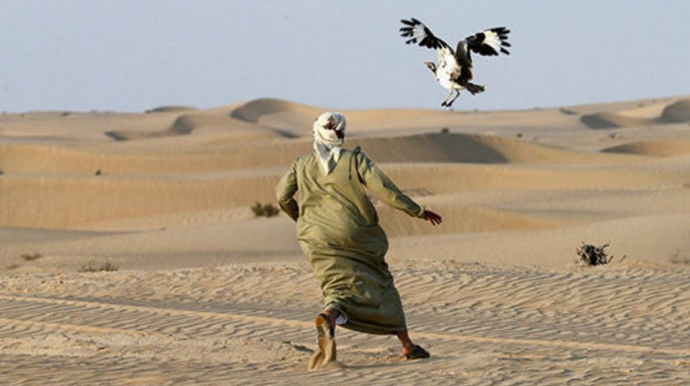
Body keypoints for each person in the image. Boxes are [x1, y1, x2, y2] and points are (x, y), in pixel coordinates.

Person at [276, 111, 443, 370]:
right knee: (381, 282)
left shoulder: (301, 164)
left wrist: (302, 220)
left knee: (336, 285)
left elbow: (282, 196)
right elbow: (384, 190)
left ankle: (330, 314)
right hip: (356, 235)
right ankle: (407, 345)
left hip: (316, 236)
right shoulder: (355, 160)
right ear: (341, 133)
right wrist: (418, 211)